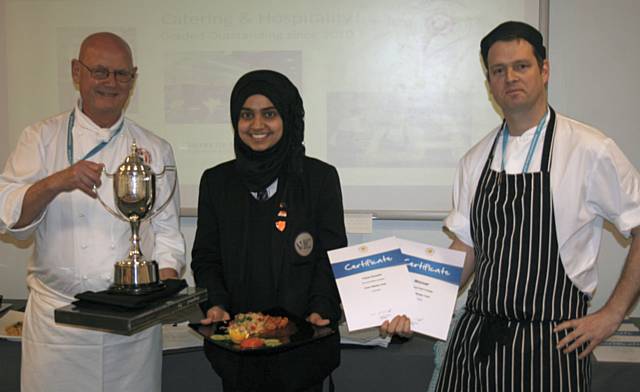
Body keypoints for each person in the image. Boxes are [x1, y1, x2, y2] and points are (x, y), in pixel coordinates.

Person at [426, 21, 640, 391]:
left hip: (553, 347)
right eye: (498, 70)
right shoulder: (475, 159)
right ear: (489, 83)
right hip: (477, 344)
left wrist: (612, 314)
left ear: (544, 70)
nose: (510, 77)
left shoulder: (590, 150)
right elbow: (466, 250)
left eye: (521, 66)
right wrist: (415, 305)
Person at [0, 32, 186, 391]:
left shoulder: (154, 148)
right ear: (76, 72)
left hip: (132, 333)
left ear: (133, 79)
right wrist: (58, 181)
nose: (111, 83)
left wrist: (160, 291)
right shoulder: (40, 138)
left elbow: (167, 233)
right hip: (59, 329)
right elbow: (11, 218)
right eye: (100, 72)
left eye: (122, 74)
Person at [191, 69, 347, 391]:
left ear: (287, 118)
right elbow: (206, 258)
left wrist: (321, 308)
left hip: (303, 350)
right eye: (247, 115)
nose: (257, 125)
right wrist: (215, 304)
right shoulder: (216, 182)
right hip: (238, 351)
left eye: (270, 114)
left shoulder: (319, 179)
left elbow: (331, 256)